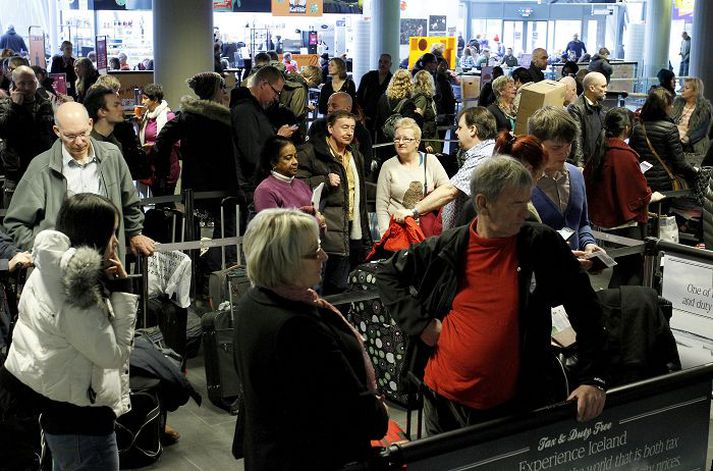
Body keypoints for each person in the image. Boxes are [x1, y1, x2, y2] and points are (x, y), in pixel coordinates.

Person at [377, 157, 607, 436]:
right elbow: (388, 274)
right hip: (443, 400)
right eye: (516, 204)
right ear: (483, 203)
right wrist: (421, 324)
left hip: (513, 406)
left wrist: (592, 377)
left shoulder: (541, 244)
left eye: (527, 201)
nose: (526, 212)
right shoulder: (450, 245)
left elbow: (586, 308)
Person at [233, 208, 388, 469]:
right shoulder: (298, 329)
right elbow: (351, 411)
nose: (324, 256)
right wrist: (378, 412)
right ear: (288, 261)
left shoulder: (254, 300)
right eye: (315, 251)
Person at [0, 193, 137, 470]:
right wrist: (123, 291)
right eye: (112, 232)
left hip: (61, 405)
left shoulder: (49, 268)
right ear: (95, 235)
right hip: (82, 419)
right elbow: (112, 355)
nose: (116, 241)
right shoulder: (78, 292)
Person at [4, 102, 154, 260]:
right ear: (57, 131)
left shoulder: (112, 155)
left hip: (108, 261)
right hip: (60, 268)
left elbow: (129, 203)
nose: (79, 142)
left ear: (90, 124)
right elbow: (15, 224)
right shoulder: (41, 167)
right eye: (70, 136)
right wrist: (46, 253)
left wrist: (135, 233)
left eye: (83, 133)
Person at [584, 108, 660, 287]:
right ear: (626, 128)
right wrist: (650, 195)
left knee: (620, 269)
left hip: (604, 221)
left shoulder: (600, 151)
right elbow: (640, 192)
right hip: (626, 223)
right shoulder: (625, 155)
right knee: (631, 270)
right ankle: (624, 310)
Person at [297, 110, 370, 294]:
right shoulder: (310, 151)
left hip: (352, 229)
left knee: (344, 288)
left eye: (352, 128)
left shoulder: (355, 155)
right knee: (321, 288)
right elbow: (296, 186)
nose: (349, 132)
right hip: (323, 230)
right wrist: (324, 180)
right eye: (344, 127)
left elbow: (358, 197)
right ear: (330, 128)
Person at [393, 107, 497, 230]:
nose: (456, 132)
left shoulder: (483, 157)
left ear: (473, 130)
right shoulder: (482, 153)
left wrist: (414, 211)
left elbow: (450, 191)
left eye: (460, 127)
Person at [528, 106, 605, 267]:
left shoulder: (576, 174)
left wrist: (589, 244)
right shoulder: (523, 183)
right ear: (536, 144)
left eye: (568, 145)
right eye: (556, 147)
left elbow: (582, 223)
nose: (565, 153)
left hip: (575, 275)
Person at [376, 118, 449, 236]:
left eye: (406, 139)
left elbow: (446, 191)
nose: (400, 142)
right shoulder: (388, 166)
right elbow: (381, 205)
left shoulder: (430, 161)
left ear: (417, 142)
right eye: (397, 139)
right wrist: (385, 233)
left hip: (425, 231)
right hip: (398, 231)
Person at [232, 66, 297, 196]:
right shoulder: (245, 111)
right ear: (264, 84)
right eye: (275, 92)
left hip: (256, 183)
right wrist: (279, 137)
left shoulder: (254, 109)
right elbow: (251, 154)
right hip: (252, 186)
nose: (276, 98)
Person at [0, 65, 56, 207]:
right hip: (16, 173)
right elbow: (3, 130)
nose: (27, 87)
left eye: (31, 82)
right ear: (14, 84)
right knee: (13, 217)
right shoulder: (6, 106)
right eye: (22, 83)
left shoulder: (45, 104)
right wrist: (15, 107)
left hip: (42, 169)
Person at [629, 87, 698, 192]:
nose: (673, 107)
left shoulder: (638, 127)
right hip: (662, 183)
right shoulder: (669, 129)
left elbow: (632, 155)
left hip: (639, 179)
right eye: (670, 104)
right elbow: (679, 163)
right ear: (664, 107)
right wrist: (696, 173)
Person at [307, 91, 372, 172]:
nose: (329, 109)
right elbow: (308, 155)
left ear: (347, 109)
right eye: (328, 105)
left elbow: (365, 166)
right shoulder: (317, 126)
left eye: (334, 106)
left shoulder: (361, 132)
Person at [253, 136, 316, 214]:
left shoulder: (302, 184)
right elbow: (272, 224)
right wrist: (313, 220)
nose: (295, 162)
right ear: (274, 162)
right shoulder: (265, 190)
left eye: (296, 157)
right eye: (288, 158)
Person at [138, 83, 180, 197]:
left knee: (166, 201)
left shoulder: (168, 117)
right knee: (157, 200)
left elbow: (176, 144)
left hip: (166, 168)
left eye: (145, 99)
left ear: (155, 99)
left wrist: (155, 145)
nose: (142, 102)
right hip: (152, 168)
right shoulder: (147, 116)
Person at [568, 71, 608, 167]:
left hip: (597, 163)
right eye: (603, 86)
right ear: (592, 88)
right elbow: (577, 138)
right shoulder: (576, 108)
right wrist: (580, 165)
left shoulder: (600, 108)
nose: (606, 90)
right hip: (586, 165)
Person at [672, 77, 712, 164]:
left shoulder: (704, 107)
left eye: (686, 88)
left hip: (692, 144)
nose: (682, 90)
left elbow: (702, 130)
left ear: (695, 91)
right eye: (683, 87)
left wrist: (688, 139)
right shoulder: (677, 103)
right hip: (674, 140)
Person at [355, 53, 393, 134]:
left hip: (384, 118)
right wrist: (361, 113)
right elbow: (359, 96)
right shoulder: (368, 77)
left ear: (390, 64)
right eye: (380, 61)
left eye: (386, 62)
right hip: (366, 116)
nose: (382, 64)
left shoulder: (392, 80)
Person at [85, 86, 127, 152]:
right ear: (102, 112)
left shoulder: (116, 142)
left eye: (120, 105)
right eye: (116, 106)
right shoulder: (87, 145)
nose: (121, 109)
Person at [412, 70, 440, 153]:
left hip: (431, 135)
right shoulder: (422, 99)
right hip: (427, 139)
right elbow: (417, 121)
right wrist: (426, 143)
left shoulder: (428, 98)